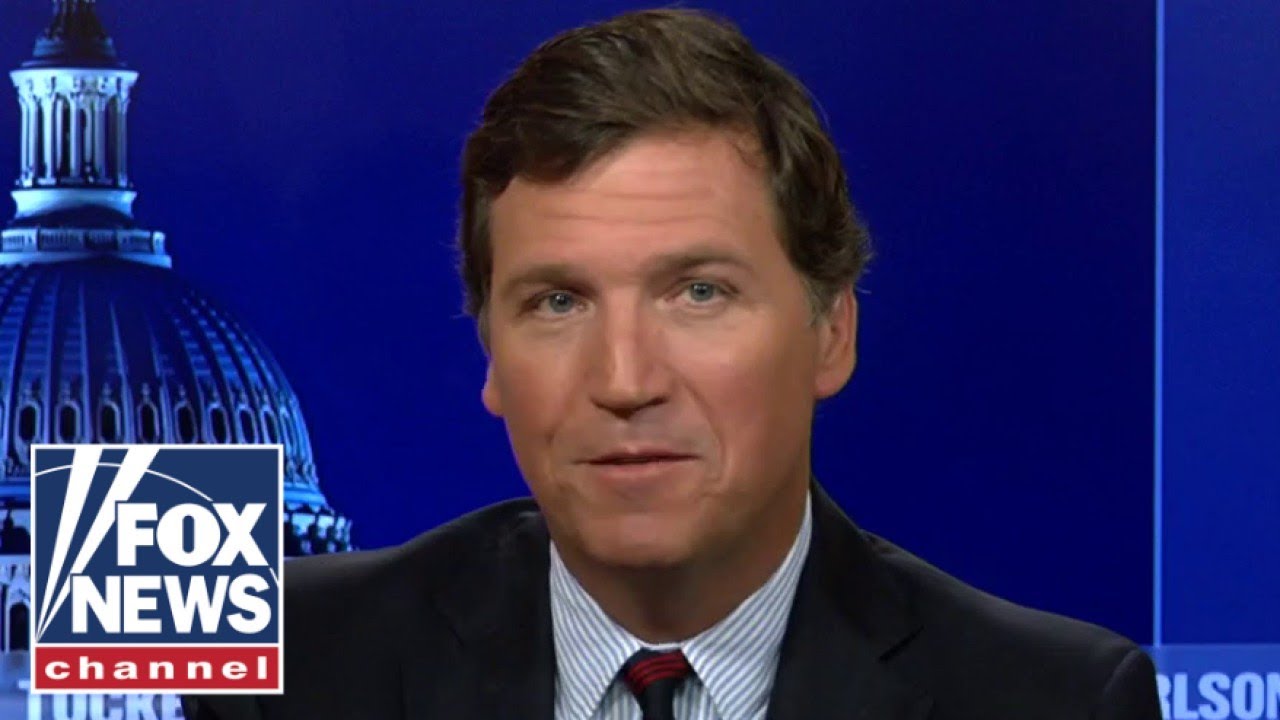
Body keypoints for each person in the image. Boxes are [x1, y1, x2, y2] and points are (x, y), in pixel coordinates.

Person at [182, 8, 1161, 720]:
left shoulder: (1051, 700)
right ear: (491, 357)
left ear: (830, 332)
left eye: (698, 293)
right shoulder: (285, 673)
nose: (624, 380)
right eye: (557, 302)